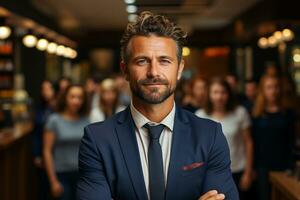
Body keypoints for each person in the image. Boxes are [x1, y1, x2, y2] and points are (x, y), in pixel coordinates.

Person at [77, 11, 238, 200]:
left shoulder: (209, 135)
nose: (153, 72)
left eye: (164, 61)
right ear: (125, 70)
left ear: (179, 69)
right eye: (142, 61)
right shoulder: (97, 140)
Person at [195, 77, 253, 199]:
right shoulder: (200, 115)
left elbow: (248, 142)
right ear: (209, 94)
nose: (219, 96)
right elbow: (196, 148)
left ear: (228, 94)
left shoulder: (240, 112)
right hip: (210, 173)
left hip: (237, 170)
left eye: (223, 92)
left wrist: (248, 172)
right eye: (215, 92)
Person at [252, 75, 296, 200]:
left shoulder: (288, 113)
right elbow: (253, 141)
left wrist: (290, 165)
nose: (273, 91)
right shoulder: (256, 113)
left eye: (276, 87)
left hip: (283, 165)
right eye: (269, 87)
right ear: (263, 90)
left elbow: (291, 141)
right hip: (262, 165)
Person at [43, 84, 90, 200]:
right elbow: (46, 151)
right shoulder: (54, 120)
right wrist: (53, 181)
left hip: (82, 175)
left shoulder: (86, 120)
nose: (76, 101)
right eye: (72, 97)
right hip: (61, 174)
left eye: (80, 98)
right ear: (65, 98)